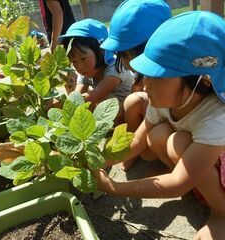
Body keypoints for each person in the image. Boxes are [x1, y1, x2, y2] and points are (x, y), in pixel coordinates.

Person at [94, 11, 225, 240]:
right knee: (164, 137)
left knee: (179, 143)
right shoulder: (164, 100)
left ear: (201, 79)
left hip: (219, 163)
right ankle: (197, 182)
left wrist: (113, 187)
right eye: (146, 74)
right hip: (202, 161)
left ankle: (220, 212)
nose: (146, 85)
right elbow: (138, 140)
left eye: (159, 77)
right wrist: (99, 161)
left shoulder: (216, 117)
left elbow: (176, 184)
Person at [100, 0, 171, 170]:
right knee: (132, 102)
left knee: (157, 138)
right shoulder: (146, 78)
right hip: (161, 116)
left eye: (124, 55)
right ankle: (132, 152)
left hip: (186, 130)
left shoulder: (178, 80)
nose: (122, 62)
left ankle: (180, 172)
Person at [58, 19, 133, 122]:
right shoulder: (86, 71)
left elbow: (93, 98)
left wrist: (62, 107)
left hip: (126, 115)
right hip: (109, 114)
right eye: (74, 62)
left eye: (83, 58)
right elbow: (77, 95)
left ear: (101, 50)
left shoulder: (115, 69)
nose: (79, 67)